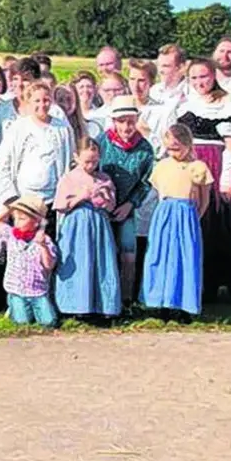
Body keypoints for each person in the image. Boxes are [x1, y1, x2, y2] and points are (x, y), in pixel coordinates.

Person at [172, 58, 231, 303]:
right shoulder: (184, 104)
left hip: (214, 163)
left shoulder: (227, 102)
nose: (199, 82)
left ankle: (214, 285)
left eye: (204, 76)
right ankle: (194, 283)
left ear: (213, 76)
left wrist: (226, 181)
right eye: (194, 78)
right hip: (189, 166)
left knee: (215, 225)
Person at [141, 125, 213, 319]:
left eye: (177, 148)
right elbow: (157, 191)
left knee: (185, 257)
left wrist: (195, 215)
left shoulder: (197, 167)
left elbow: (204, 198)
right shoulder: (163, 166)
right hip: (165, 213)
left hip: (186, 213)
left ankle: (184, 305)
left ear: (188, 145)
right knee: (161, 255)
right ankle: (161, 302)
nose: (173, 152)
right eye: (170, 148)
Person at [52, 138, 123, 323]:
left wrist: (105, 199)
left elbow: (111, 206)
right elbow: (60, 205)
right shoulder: (68, 178)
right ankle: (74, 306)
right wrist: (79, 197)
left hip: (98, 224)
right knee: (78, 262)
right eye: (86, 161)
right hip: (76, 226)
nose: (91, 165)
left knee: (100, 261)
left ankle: (102, 305)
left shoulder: (104, 178)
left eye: (94, 161)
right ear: (76, 157)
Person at [98, 97, 155, 305]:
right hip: (102, 206)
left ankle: (127, 299)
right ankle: (105, 300)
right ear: (114, 121)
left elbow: (145, 182)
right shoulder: (101, 142)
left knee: (128, 254)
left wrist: (130, 204)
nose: (126, 126)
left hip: (127, 207)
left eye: (130, 121)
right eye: (121, 121)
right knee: (104, 252)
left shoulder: (145, 149)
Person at [0, 81, 74, 228]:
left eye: (46, 100)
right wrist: (10, 197)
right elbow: (4, 163)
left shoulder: (61, 128)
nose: (42, 105)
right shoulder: (17, 128)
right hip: (24, 199)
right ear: (28, 102)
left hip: (51, 199)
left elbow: (69, 161)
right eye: (37, 100)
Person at [0, 194, 58, 327]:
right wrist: (10, 207)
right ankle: (15, 308)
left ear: (36, 222)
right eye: (15, 218)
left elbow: (49, 265)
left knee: (49, 322)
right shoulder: (11, 235)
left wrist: (43, 246)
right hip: (16, 289)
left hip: (38, 291)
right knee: (22, 322)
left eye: (22, 218)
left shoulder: (44, 240)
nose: (17, 222)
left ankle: (28, 310)